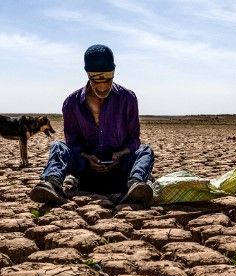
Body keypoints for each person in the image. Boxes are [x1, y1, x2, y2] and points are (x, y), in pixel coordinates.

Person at [30, 44, 155, 205]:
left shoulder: (128, 98)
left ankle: (135, 186)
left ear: (114, 73)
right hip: (86, 169)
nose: (102, 87)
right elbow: (72, 143)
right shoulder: (72, 103)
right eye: (96, 80)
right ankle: (52, 184)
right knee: (58, 146)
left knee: (146, 151)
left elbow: (134, 141)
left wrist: (120, 154)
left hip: (120, 168)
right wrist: (88, 157)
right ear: (88, 74)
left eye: (108, 80)